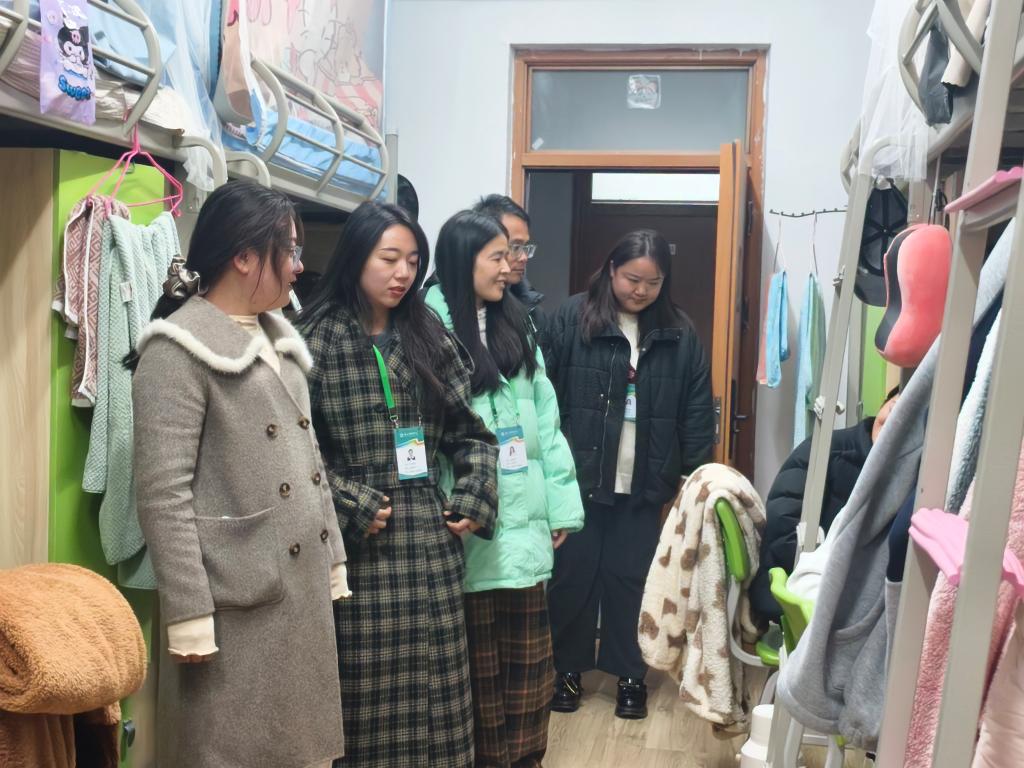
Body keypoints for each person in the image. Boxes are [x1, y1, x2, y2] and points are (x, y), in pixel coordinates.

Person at [131, 179, 348, 768]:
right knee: (229, 749)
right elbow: (162, 496)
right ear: (245, 256)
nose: (299, 266)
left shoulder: (281, 340)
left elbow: (310, 461)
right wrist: (188, 613)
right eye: (290, 251)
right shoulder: (176, 349)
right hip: (234, 599)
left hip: (296, 584)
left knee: (301, 748)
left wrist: (332, 556)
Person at [299, 201, 499, 768]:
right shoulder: (311, 339)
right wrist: (348, 502)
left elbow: (472, 435)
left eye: (413, 261)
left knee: (438, 705)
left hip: (430, 546)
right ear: (356, 256)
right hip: (356, 554)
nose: (403, 273)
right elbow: (292, 454)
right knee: (365, 708)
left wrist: (473, 495)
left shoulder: (430, 334)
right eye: (389, 258)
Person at [424, 210, 584, 767]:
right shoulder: (427, 325)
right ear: (462, 261)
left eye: (512, 253)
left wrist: (561, 505)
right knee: (479, 674)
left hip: (526, 518)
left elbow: (547, 421)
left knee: (530, 672)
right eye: (498, 255)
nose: (510, 265)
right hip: (471, 526)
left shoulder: (517, 321)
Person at [544, 229, 714, 720]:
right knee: (572, 578)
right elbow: (545, 394)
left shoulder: (679, 331)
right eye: (632, 279)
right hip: (578, 476)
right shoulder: (573, 317)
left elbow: (696, 409)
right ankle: (567, 670)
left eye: (652, 282)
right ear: (611, 270)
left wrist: (690, 477)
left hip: (644, 481)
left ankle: (630, 676)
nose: (640, 290)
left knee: (632, 581)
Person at [749, 387, 901, 621]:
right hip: (793, 589)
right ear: (882, 406)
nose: (892, 422)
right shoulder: (828, 449)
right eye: (892, 409)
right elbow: (783, 521)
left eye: (903, 418)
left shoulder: (902, 475)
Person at [472, 194, 547, 339]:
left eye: (525, 247)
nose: (524, 257)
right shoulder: (434, 309)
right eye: (516, 247)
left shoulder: (533, 312)